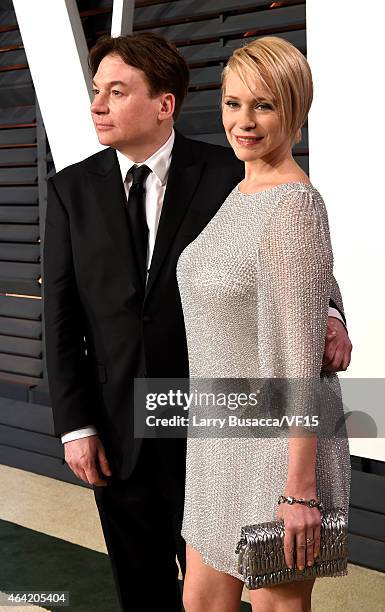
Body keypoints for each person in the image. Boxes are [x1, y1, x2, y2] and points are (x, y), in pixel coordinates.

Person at [43, 32, 352, 612]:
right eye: (234, 104)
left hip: (240, 422)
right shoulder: (71, 190)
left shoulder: (228, 171)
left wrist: (329, 313)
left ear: (165, 104)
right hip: (136, 426)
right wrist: (74, 425)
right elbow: (60, 316)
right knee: (166, 593)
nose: (98, 105)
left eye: (116, 91)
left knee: (271, 596)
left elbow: (303, 267)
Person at [177, 36, 351, 612]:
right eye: (232, 104)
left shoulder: (294, 204)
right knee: (199, 603)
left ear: (294, 111)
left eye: (264, 105)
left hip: (277, 453)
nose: (243, 122)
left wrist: (297, 492)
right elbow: (298, 283)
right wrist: (332, 310)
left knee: (277, 606)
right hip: (217, 441)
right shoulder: (243, 189)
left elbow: (295, 361)